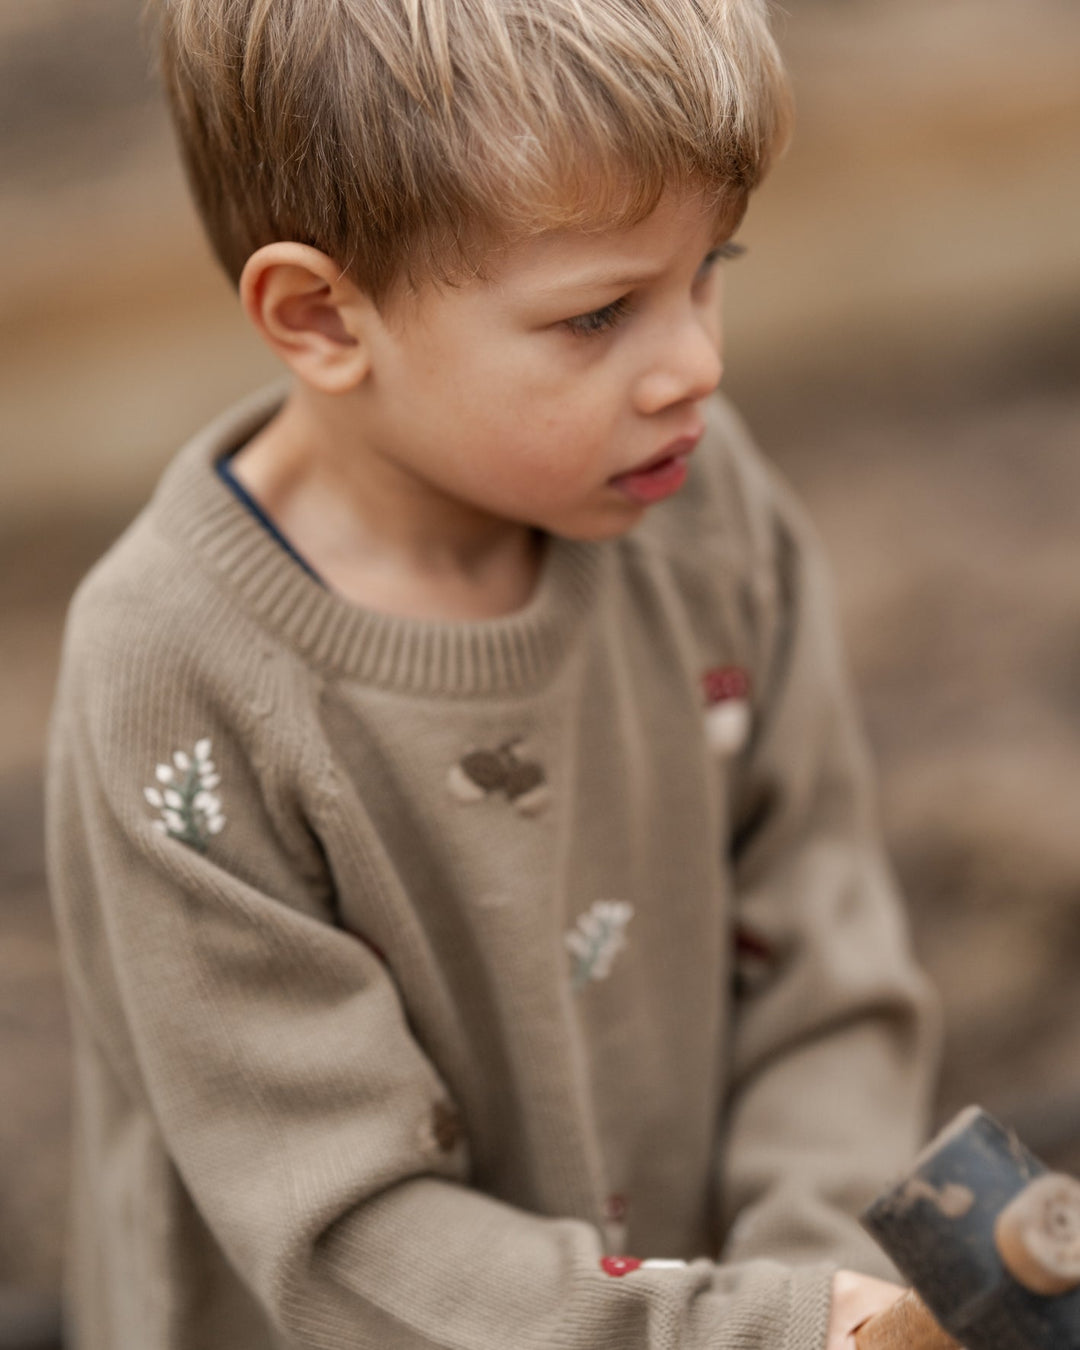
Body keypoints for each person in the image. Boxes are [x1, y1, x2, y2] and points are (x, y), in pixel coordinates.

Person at [45, 0, 941, 1346]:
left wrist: (825, 1294)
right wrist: (766, 1332)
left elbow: (825, 963)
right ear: (321, 317)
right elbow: (345, 1232)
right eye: (597, 317)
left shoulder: (711, 518)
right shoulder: (178, 682)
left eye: (710, 266)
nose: (696, 362)